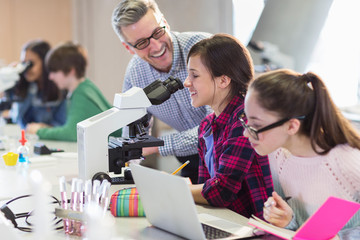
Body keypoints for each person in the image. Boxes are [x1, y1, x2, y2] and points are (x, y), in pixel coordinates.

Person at [242, 69, 360, 239]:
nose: (246, 133)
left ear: (292, 126)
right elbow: (306, 229)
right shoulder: (277, 154)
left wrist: (342, 237)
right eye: (246, 120)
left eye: (256, 125)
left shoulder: (348, 162)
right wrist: (287, 220)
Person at [112, 0, 213, 183]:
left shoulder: (203, 49)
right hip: (192, 162)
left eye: (158, 32)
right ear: (129, 48)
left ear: (165, 22)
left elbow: (217, 129)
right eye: (142, 43)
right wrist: (127, 173)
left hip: (232, 157)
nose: (157, 46)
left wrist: (158, 147)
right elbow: (132, 136)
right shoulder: (135, 75)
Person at [184, 34, 273, 218]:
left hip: (250, 227)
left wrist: (180, 189)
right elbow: (205, 189)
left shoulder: (245, 120)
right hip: (221, 220)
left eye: (195, 75)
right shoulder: (207, 125)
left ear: (223, 80)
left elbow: (222, 191)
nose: (187, 82)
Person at [26, 42, 118, 141]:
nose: (50, 77)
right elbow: (72, 128)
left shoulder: (81, 93)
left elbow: (72, 134)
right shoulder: (85, 86)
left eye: (54, 71)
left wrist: (38, 131)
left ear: (70, 70)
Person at [4, 40, 66, 129]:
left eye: (30, 64)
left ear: (45, 63)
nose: (27, 68)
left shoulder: (59, 88)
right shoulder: (24, 86)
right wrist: (11, 76)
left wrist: (43, 128)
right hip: (25, 138)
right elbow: (16, 117)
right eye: (24, 63)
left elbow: (62, 126)